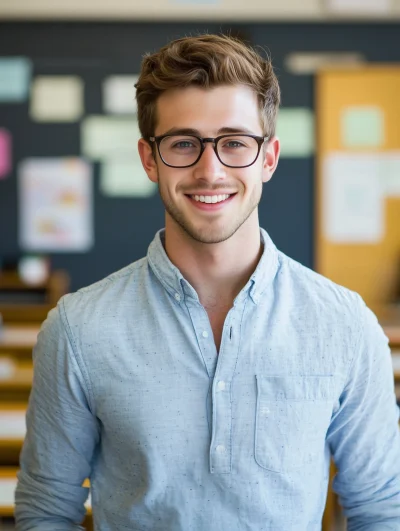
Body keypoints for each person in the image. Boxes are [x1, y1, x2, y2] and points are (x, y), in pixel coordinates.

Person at [15, 34, 400, 531]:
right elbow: (46, 512)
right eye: (183, 143)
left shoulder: (344, 324)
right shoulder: (77, 330)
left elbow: (383, 510)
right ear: (149, 158)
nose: (209, 169)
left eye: (235, 142)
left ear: (268, 157)